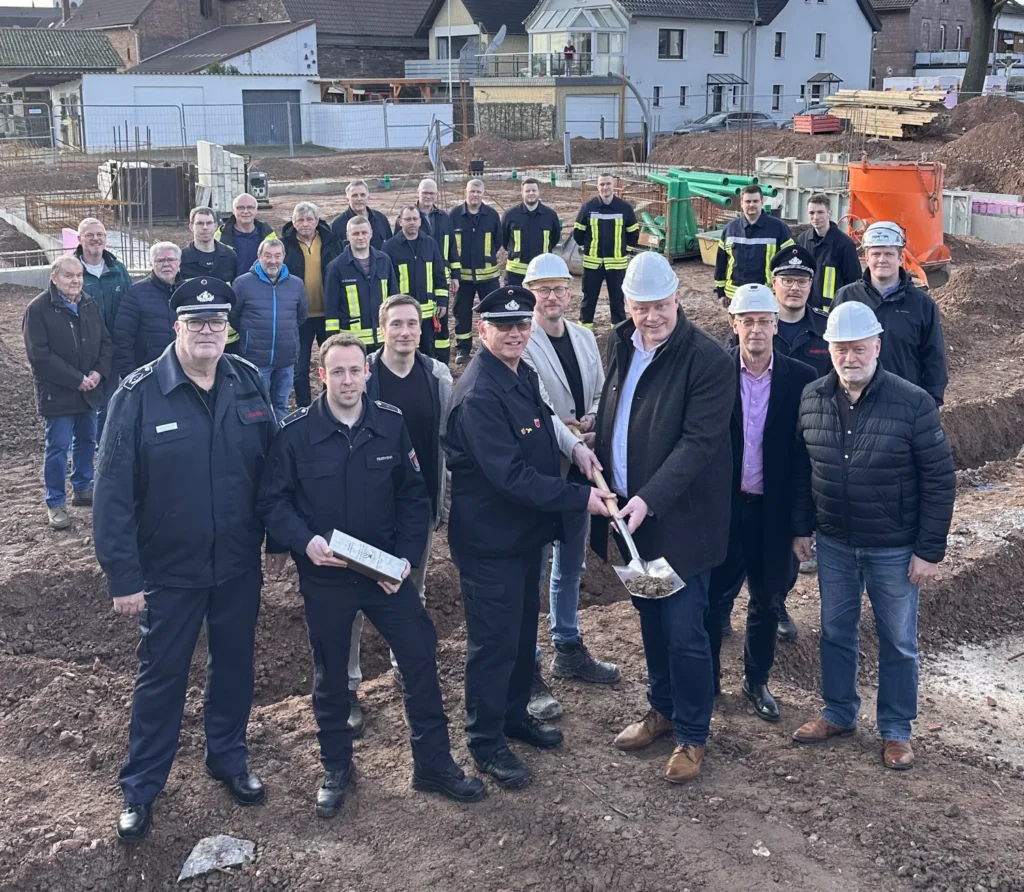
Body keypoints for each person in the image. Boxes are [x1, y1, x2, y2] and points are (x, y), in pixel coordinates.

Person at [257, 333, 485, 816]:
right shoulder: (295, 433)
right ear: (322, 375)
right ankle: (336, 767)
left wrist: (405, 559)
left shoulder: (389, 423)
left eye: (355, 371)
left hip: (384, 573)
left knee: (420, 654)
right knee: (331, 674)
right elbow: (273, 502)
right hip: (327, 578)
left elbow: (413, 496)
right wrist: (304, 541)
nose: (347, 380)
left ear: (367, 373)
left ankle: (433, 763)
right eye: (337, 372)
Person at [94, 277, 279, 843]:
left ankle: (228, 758)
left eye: (216, 322)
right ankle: (141, 788)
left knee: (234, 667)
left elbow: (272, 470)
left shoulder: (247, 382)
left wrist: (280, 541)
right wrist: (123, 577)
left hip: (237, 565)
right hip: (169, 571)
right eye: (196, 322)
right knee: (162, 676)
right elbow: (112, 493)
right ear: (176, 327)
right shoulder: (138, 394)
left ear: (227, 329)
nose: (207, 331)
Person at [444, 285, 612, 790]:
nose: (515, 334)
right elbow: (512, 478)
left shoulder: (521, 374)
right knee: (493, 645)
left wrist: (576, 449)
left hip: (522, 539)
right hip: (490, 544)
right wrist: (580, 497)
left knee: (519, 637)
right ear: (482, 331)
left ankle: (514, 717)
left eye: (521, 325)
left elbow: (545, 424)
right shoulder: (479, 395)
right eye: (503, 326)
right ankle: (485, 741)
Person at [791, 301, 955, 771]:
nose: (850, 358)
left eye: (859, 348)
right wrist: (801, 527)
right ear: (829, 350)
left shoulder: (913, 403)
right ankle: (839, 712)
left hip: (894, 548)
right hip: (835, 544)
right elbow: (802, 470)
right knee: (836, 632)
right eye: (841, 349)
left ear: (877, 347)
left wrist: (928, 550)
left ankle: (896, 730)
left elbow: (940, 480)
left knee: (898, 641)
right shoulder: (812, 397)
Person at [594, 252, 734, 785]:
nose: (650, 317)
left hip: (681, 525)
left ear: (678, 297)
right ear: (627, 304)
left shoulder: (707, 360)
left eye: (659, 305)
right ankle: (663, 709)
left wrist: (648, 499)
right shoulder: (619, 343)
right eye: (640, 306)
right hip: (632, 522)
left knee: (684, 631)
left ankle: (693, 735)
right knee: (651, 622)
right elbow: (620, 411)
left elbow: (698, 444)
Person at [704, 284, 817, 723]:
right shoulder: (715, 373)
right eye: (746, 321)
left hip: (774, 511)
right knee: (714, 599)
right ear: (734, 325)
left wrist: (802, 525)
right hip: (725, 509)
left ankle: (756, 680)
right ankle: (709, 680)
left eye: (763, 321)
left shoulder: (801, 379)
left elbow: (805, 458)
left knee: (767, 601)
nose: (755, 329)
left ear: (775, 325)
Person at [345, 295, 454, 733]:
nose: (405, 331)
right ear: (382, 329)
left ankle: (405, 667)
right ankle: (347, 687)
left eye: (412, 323)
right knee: (354, 601)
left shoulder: (437, 375)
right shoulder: (365, 375)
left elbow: (447, 441)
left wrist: (443, 502)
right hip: (368, 511)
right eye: (396, 324)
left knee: (412, 592)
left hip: (417, 508)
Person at [520, 253, 620, 724]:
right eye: (543, 290)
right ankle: (529, 663)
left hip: (583, 467)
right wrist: (569, 435)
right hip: (544, 469)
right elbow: (535, 407)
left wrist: (594, 422)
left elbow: (600, 390)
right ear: (531, 295)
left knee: (572, 562)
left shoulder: (583, 337)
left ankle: (567, 645)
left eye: (559, 288)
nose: (553, 297)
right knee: (535, 567)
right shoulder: (522, 343)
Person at [23, 255, 111, 529]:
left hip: (89, 389)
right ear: (54, 278)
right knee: (58, 446)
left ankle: (83, 487)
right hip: (58, 392)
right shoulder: (38, 309)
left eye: (79, 275)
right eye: (69, 275)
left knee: (87, 440)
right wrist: (76, 379)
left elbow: (105, 341)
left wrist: (98, 372)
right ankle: (55, 501)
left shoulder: (88, 303)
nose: (75, 281)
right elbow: (39, 356)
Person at [831, 221, 948, 406]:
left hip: (904, 404)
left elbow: (934, 358)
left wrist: (932, 403)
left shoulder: (922, 304)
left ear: (900, 258)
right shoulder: (846, 297)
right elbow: (830, 350)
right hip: (854, 403)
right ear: (866, 258)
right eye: (876, 254)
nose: (882, 260)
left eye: (889, 254)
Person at [230, 237, 308, 423]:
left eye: (277, 256)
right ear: (259, 256)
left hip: (286, 357)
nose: (273, 260)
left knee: (281, 403)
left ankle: (280, 434)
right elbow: (233, 315)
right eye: (268, 255)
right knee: (258, 404)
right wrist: (250, 333)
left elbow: (302, 315)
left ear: (283, 257)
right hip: (255, 358)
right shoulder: (242, 283)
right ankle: (261, 435)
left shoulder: (296, 284)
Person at [281, 201, 342, 407]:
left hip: (329, 314)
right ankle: (304, 407)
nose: (305, 224)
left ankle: (328, 404)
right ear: (293, 222)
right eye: (300, 220)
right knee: (300, 367)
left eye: (309, 219)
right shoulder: (285, 245)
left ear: (316, 221)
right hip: (300, 317)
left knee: (331, 361)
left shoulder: (332, 242)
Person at [75, 217, 130, 443]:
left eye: (100, 235)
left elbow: (130, 304)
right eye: (89, 235)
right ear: (79, 239)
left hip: (113, 347)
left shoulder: (118, 269)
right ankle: (86, 444)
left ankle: (104, 445)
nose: (95, 239)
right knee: (86, 402)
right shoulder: (72, 270)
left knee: (111, 400)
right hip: (83, 349)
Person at [573, 173, 639, 328]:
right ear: (597, 187)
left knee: (617, 299)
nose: (605, 187)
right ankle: (585, 328)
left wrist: (624, 251)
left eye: (608, 183)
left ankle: (618, 328)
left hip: (617, 263)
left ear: (613, 185)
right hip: (592, 263)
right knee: (589, 298)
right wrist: (587, 249)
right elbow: (578, 233)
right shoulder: (588, 208)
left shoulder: (624, 208)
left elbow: (633, 233)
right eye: (602, 184)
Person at [382, 207, 449, 359]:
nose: (411, 222)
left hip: (428, 312)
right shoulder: (389, 247)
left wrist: (442, 302)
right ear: (400, 222)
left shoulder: (430, 244)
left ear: (420, 221)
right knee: (404, 351)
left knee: (428, 351)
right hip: (402, 312)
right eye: (407, 219)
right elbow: (387, 282)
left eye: (415, 219)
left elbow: (439, 275)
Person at [324, 215, 398, 352]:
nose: (360, 237)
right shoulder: (336, 267)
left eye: (364, 233)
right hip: (351, 343)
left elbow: (394, 298)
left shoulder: (384, 261)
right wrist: (333, 342)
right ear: (348, 236)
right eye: (355, 233)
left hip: (383, 340)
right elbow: (331, 308)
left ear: (371, 234)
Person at [449, 179, 502, 365]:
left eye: (479, 192)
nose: (475, 195)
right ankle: (463, 349)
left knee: (492, 312)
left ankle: (492, 346)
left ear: (483, 194)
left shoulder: (492, 215)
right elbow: (450, 245)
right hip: (463, 277)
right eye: (472, 191)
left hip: (488, 276)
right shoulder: (454, 215)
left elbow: (498, 241)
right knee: (462, 313)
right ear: (466, 192)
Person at [714, 184, 794, 306]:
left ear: (762, 202)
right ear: (741, 203)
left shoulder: (779, 228)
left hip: (767, 295)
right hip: (735, 296)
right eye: (748, 201)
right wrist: (720, 292)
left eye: (755, 201)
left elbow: (790, 262)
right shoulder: (730, 229)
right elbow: (721, 263)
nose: (751, 205)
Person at [112, 242, 182, 379]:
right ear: (152, 263)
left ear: (179, 262)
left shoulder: (188, 292)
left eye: (171, 259)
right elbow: (123, 337)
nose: (166, 264)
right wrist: (131, 375)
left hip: (184, 370)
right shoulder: (136, 292)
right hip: (148, 373)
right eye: (160, 260)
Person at [769, 244, 831, 379]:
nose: (795, 288)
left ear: (810, 284)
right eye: (788, 281)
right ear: (774, 282)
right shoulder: (756, 325)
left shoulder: (828, 326)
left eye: (802, 282)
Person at [795, 193, 861, 312]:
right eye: (811, 213)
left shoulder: (845, 245)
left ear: (829, 213)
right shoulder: (802, 240)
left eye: (820, 212)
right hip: (806, 310)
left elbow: (853, 283)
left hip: (833, 312)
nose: (815, 217)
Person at [501, 179, 562, 288]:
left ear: (539, 192)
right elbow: (503, 240)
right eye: (527, 191)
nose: (531, 193)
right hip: (515, 274)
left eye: (534, 190)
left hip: (542, 272)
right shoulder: (510, 215)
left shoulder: (550, 215)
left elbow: (554, 239)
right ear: (522, 193)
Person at [216, 192, 275, 277]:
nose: (245, 211)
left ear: (256, 211)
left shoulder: (268, 234)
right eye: (240, 207)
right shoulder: (220, 236)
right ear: (233, 211)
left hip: (262, 283)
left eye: (250, 207)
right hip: (232, 284)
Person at [181, 207, 239, 283]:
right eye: (200, 223)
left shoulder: (230, 256)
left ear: (215, 226)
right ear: (191, 227)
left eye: (209, 223)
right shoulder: (181, 259)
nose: (205, 227)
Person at [330, 179, 392, 250]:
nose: (359, 199)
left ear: (368, 198)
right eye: (354, 195)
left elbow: (390, 247)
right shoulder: (336, 225)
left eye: (362, 195)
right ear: (347, 200)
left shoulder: (381, 219)